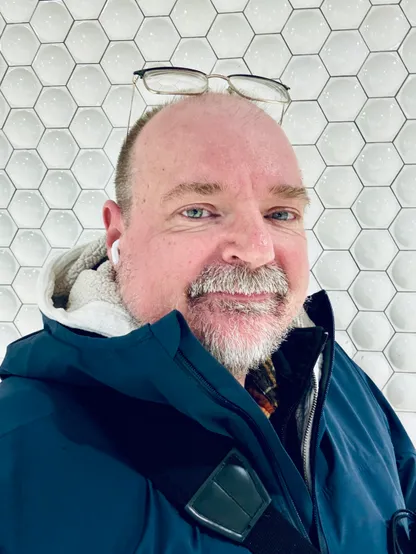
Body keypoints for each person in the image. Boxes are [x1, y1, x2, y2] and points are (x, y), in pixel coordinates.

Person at [0, 67, 414, 554]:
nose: (257, 248)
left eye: (280, 214)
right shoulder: (17, 446)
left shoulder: (342, 387)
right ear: (118, 236)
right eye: (198, 210)